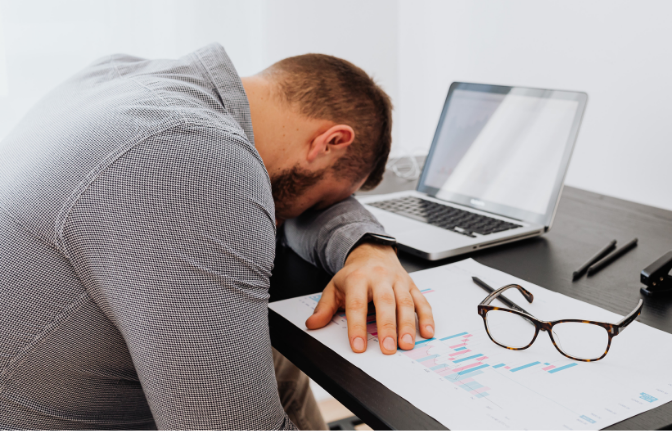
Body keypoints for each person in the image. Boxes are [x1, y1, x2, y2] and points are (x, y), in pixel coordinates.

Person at [0, 44, 435, 429]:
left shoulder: (124, 76)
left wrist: (366, 249)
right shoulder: (193, 159)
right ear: (330, 141)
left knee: (274, 354)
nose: (306, 214)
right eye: (323, 200)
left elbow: (293, 195)